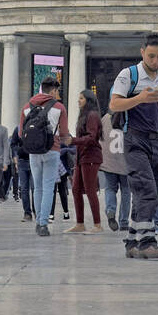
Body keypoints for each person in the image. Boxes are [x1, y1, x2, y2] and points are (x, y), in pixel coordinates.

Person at [107, 34, 158, 258]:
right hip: (134, 138)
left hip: (156, 141)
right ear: (142, 52)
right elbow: (114, 104)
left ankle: (132, 242)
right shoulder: (129, 75)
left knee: (145, 191)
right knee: (147, 190)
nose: (155, 61)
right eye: (152, 56)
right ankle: (147, 241)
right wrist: (141, 98)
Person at [20, 76, 71, 237]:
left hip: (33, 152)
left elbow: (21, 133)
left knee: (38, 187)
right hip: (52, 150)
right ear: (54, 90)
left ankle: (37, 221)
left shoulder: (27, 107)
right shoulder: (59, 108)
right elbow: (63, 133)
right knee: (49, 187)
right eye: (57, 91)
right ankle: (43, 223)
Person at [65, 90, 104, 234]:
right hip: (81, 157)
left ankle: (98, 225)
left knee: (90, 190)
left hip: (91, 157)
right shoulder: (84, 115)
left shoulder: (92, 115)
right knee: (75, 189)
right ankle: (80, 223)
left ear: (88, 100)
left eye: (81, 98)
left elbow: (92, 137)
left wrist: (73, 140)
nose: (78, 100)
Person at [99, 109, 129, 232]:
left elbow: (100, 138)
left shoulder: (105, 118)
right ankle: (124, 221)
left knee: (110, 188)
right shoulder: (129, 116)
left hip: (109, 161)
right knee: (126, 191)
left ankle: (111, 210)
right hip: (126, 162)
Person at [12, 124, 35, 222]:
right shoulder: (18, 128)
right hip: (22, 161)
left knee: (35, 188)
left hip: (35, 160)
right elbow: (13, 144)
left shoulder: (36, 126)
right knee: (24, 189)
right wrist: (19, 152)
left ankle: (37, 212)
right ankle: (27, 213)